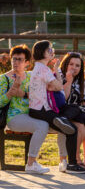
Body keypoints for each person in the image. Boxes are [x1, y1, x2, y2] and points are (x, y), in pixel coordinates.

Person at [28, 40, 85, 174]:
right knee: (71, 129)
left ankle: (62, 119)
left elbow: (56, 87)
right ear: (42, 52)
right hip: (42, 110)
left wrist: (56, 71)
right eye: (50, 50)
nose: (52, 51)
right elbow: (59, 87)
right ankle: (71, 165)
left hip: (41, 110)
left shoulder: (41, 68)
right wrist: (57, 79)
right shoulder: (43, 69)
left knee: (75, 110)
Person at [0, 45, 52, 174]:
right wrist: (10, 93)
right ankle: (31, 164)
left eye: (20, 59)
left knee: (57, 122)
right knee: (42, 126)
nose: (16, 62)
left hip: (34, 113)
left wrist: (23, 93)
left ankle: (65, 161)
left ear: (27, 63)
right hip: (14, 118)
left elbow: (40, 95)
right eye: (14, 59)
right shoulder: (4, 78)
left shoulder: (30, 76)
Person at [59, 52, 85, 171]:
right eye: (71, 64)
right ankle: (76, 159)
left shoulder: (81, 80)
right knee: (80, 128)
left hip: (78, 111)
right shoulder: (59, 77)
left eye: (77, 66)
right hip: (64, 111)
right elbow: (62, 99)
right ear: (65, 64)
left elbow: (84, 97)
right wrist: (69, 81)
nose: (74, 68)